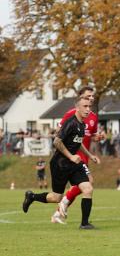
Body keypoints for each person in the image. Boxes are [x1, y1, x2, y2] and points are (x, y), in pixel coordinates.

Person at [22, 92, 100, 229]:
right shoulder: (70, 123)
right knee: (56, 198)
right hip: (60, 164)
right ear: (78, 107)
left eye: (89, 106)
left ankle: (84, 224)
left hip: (74, 164)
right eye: (85, 106)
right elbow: (57, 142)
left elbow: (78, 142)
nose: (88, 109)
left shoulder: (82, 125)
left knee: (88, 188)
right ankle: (32, 197)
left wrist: (90, 155)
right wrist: (70, 156)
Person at [52, 87, 100, 224]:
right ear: (80, 97)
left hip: (84, 155)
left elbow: (92, 135)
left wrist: (98, 138)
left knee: (84, 185)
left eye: (92, 96)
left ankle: (58, 211)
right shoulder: (72, 114)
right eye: (88, 96)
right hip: (74, 155)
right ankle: (65, 204)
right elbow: (59, 133)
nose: (91, 98)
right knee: (88, 183)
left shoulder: (93, 116)